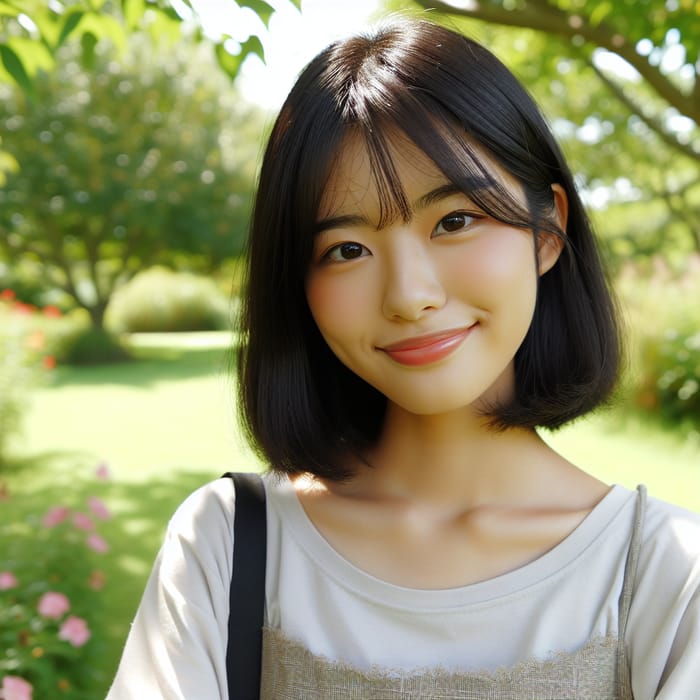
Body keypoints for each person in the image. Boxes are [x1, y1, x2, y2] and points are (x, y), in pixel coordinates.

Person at [106, 16, 700, 699]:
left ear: (547, 231)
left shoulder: (668, 576)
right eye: (347, 249)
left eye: (454, 220)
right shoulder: (227, 546)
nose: (409, 296)